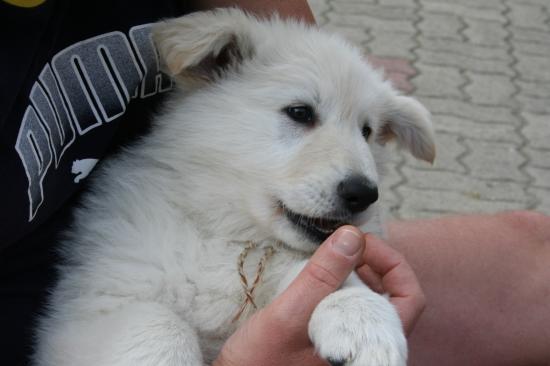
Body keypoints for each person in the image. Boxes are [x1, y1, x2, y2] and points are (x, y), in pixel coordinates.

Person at [1, 0, 549, 365]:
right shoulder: (137, 215)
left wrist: (343, 298)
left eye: (365, 130)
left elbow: (298, 44)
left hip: (257, 230)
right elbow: (85, 328)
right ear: (210, 69)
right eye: (299, 113)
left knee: (532, 251)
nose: (359, 171)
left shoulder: (274, 197)